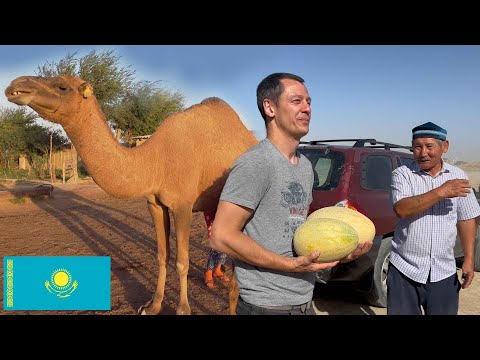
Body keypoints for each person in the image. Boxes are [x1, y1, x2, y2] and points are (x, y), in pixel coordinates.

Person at [209, 72, 372, 315]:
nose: (307, 109)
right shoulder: (255, 163)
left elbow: (298, 231)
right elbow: (221, 236)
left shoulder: (305, 166)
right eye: (297, 101)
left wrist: (341, 253)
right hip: (265, 306)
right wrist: (289, 265)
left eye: (309, 102)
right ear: (270, 108)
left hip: (303, 300)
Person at [388, 121, 480, 315]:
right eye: (417, 147)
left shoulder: (458, 176)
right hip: (405, 270)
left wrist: (469, 259)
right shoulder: (403, 175)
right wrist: (442, 191)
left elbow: (467, 219)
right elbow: (402, 209)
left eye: (429, 146)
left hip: (443, 271)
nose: (423, 153)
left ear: (444, 147)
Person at [203, 212, 229, 287]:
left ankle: (218, 269)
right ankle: (209, 271)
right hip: (213, 209)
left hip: (228, 209)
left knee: (226, 240)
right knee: (215, 240)